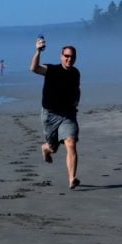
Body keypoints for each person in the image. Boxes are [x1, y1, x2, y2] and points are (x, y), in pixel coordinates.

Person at [30, 36, 81, 190]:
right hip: (50, 115)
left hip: (68, 115)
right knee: (53, 148)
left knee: (70, 143)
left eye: (72, 57)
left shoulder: (76, 73)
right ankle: (46, 149)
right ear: (61, 57)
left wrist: (76, 102)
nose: (69, 59)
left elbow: (76, 90)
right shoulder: (51, 70)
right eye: (66, 56)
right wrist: (38, 51)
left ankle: (72, 178)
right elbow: (34, 68)